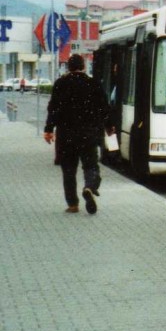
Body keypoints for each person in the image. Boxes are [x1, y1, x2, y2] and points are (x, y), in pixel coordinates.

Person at [43, 54, 113, 214]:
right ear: (83, 66)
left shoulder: (61, 83)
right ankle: (89, 187)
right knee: (91, 166)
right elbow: (104, 107)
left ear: (68, 67)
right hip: (88, 134)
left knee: (68, 171)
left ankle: (73, 204)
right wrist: (110, 126)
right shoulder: (93, 83)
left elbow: (53, 108)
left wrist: (48, 130)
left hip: (66, 135)